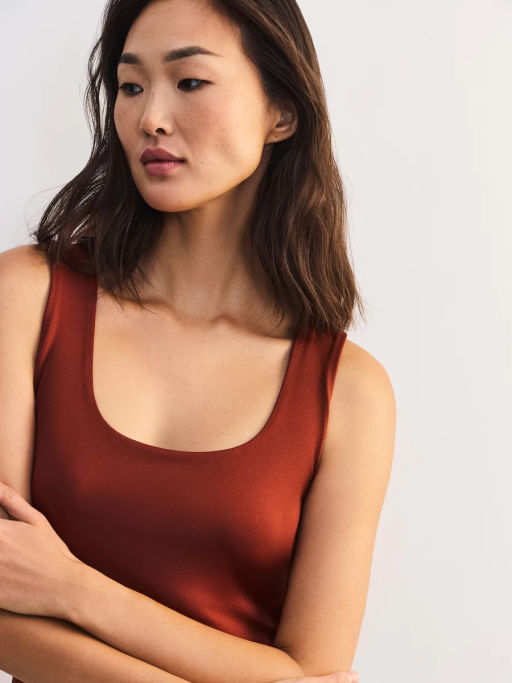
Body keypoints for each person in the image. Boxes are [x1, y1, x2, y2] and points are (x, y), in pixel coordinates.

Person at [0, 0, 396, 681]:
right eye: (130, 86)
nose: (150, 116)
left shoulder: (349, 393)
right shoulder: (27, 295)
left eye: (189, 82)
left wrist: (73, 588)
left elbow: (311, 667)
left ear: (282, 112)